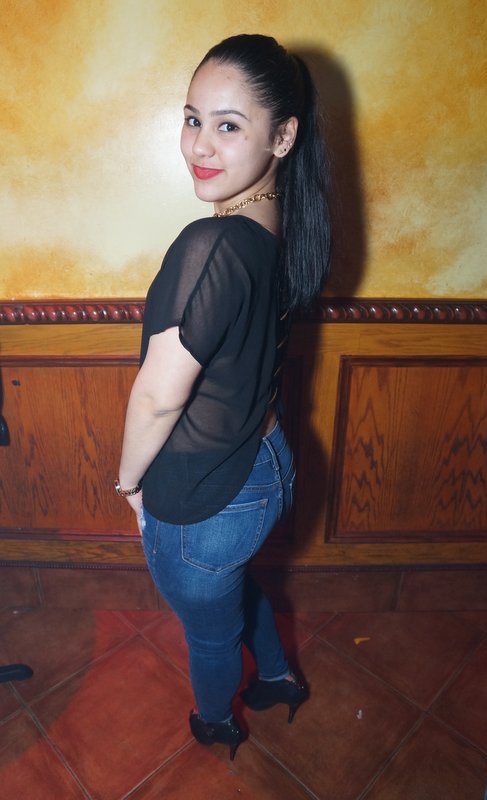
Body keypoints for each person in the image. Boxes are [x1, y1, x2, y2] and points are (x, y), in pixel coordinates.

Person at [116, 33, 331, 760]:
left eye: (227, 125)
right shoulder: (274, 222)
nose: (199, 145)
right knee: (232, 585)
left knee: (208, 629)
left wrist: (129, 483)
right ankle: (277, 677)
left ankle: (215, 722)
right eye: (192, 118)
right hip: (266, 463)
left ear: (283, 136)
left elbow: (158, 398)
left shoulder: (209, 245)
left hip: (210, 493)